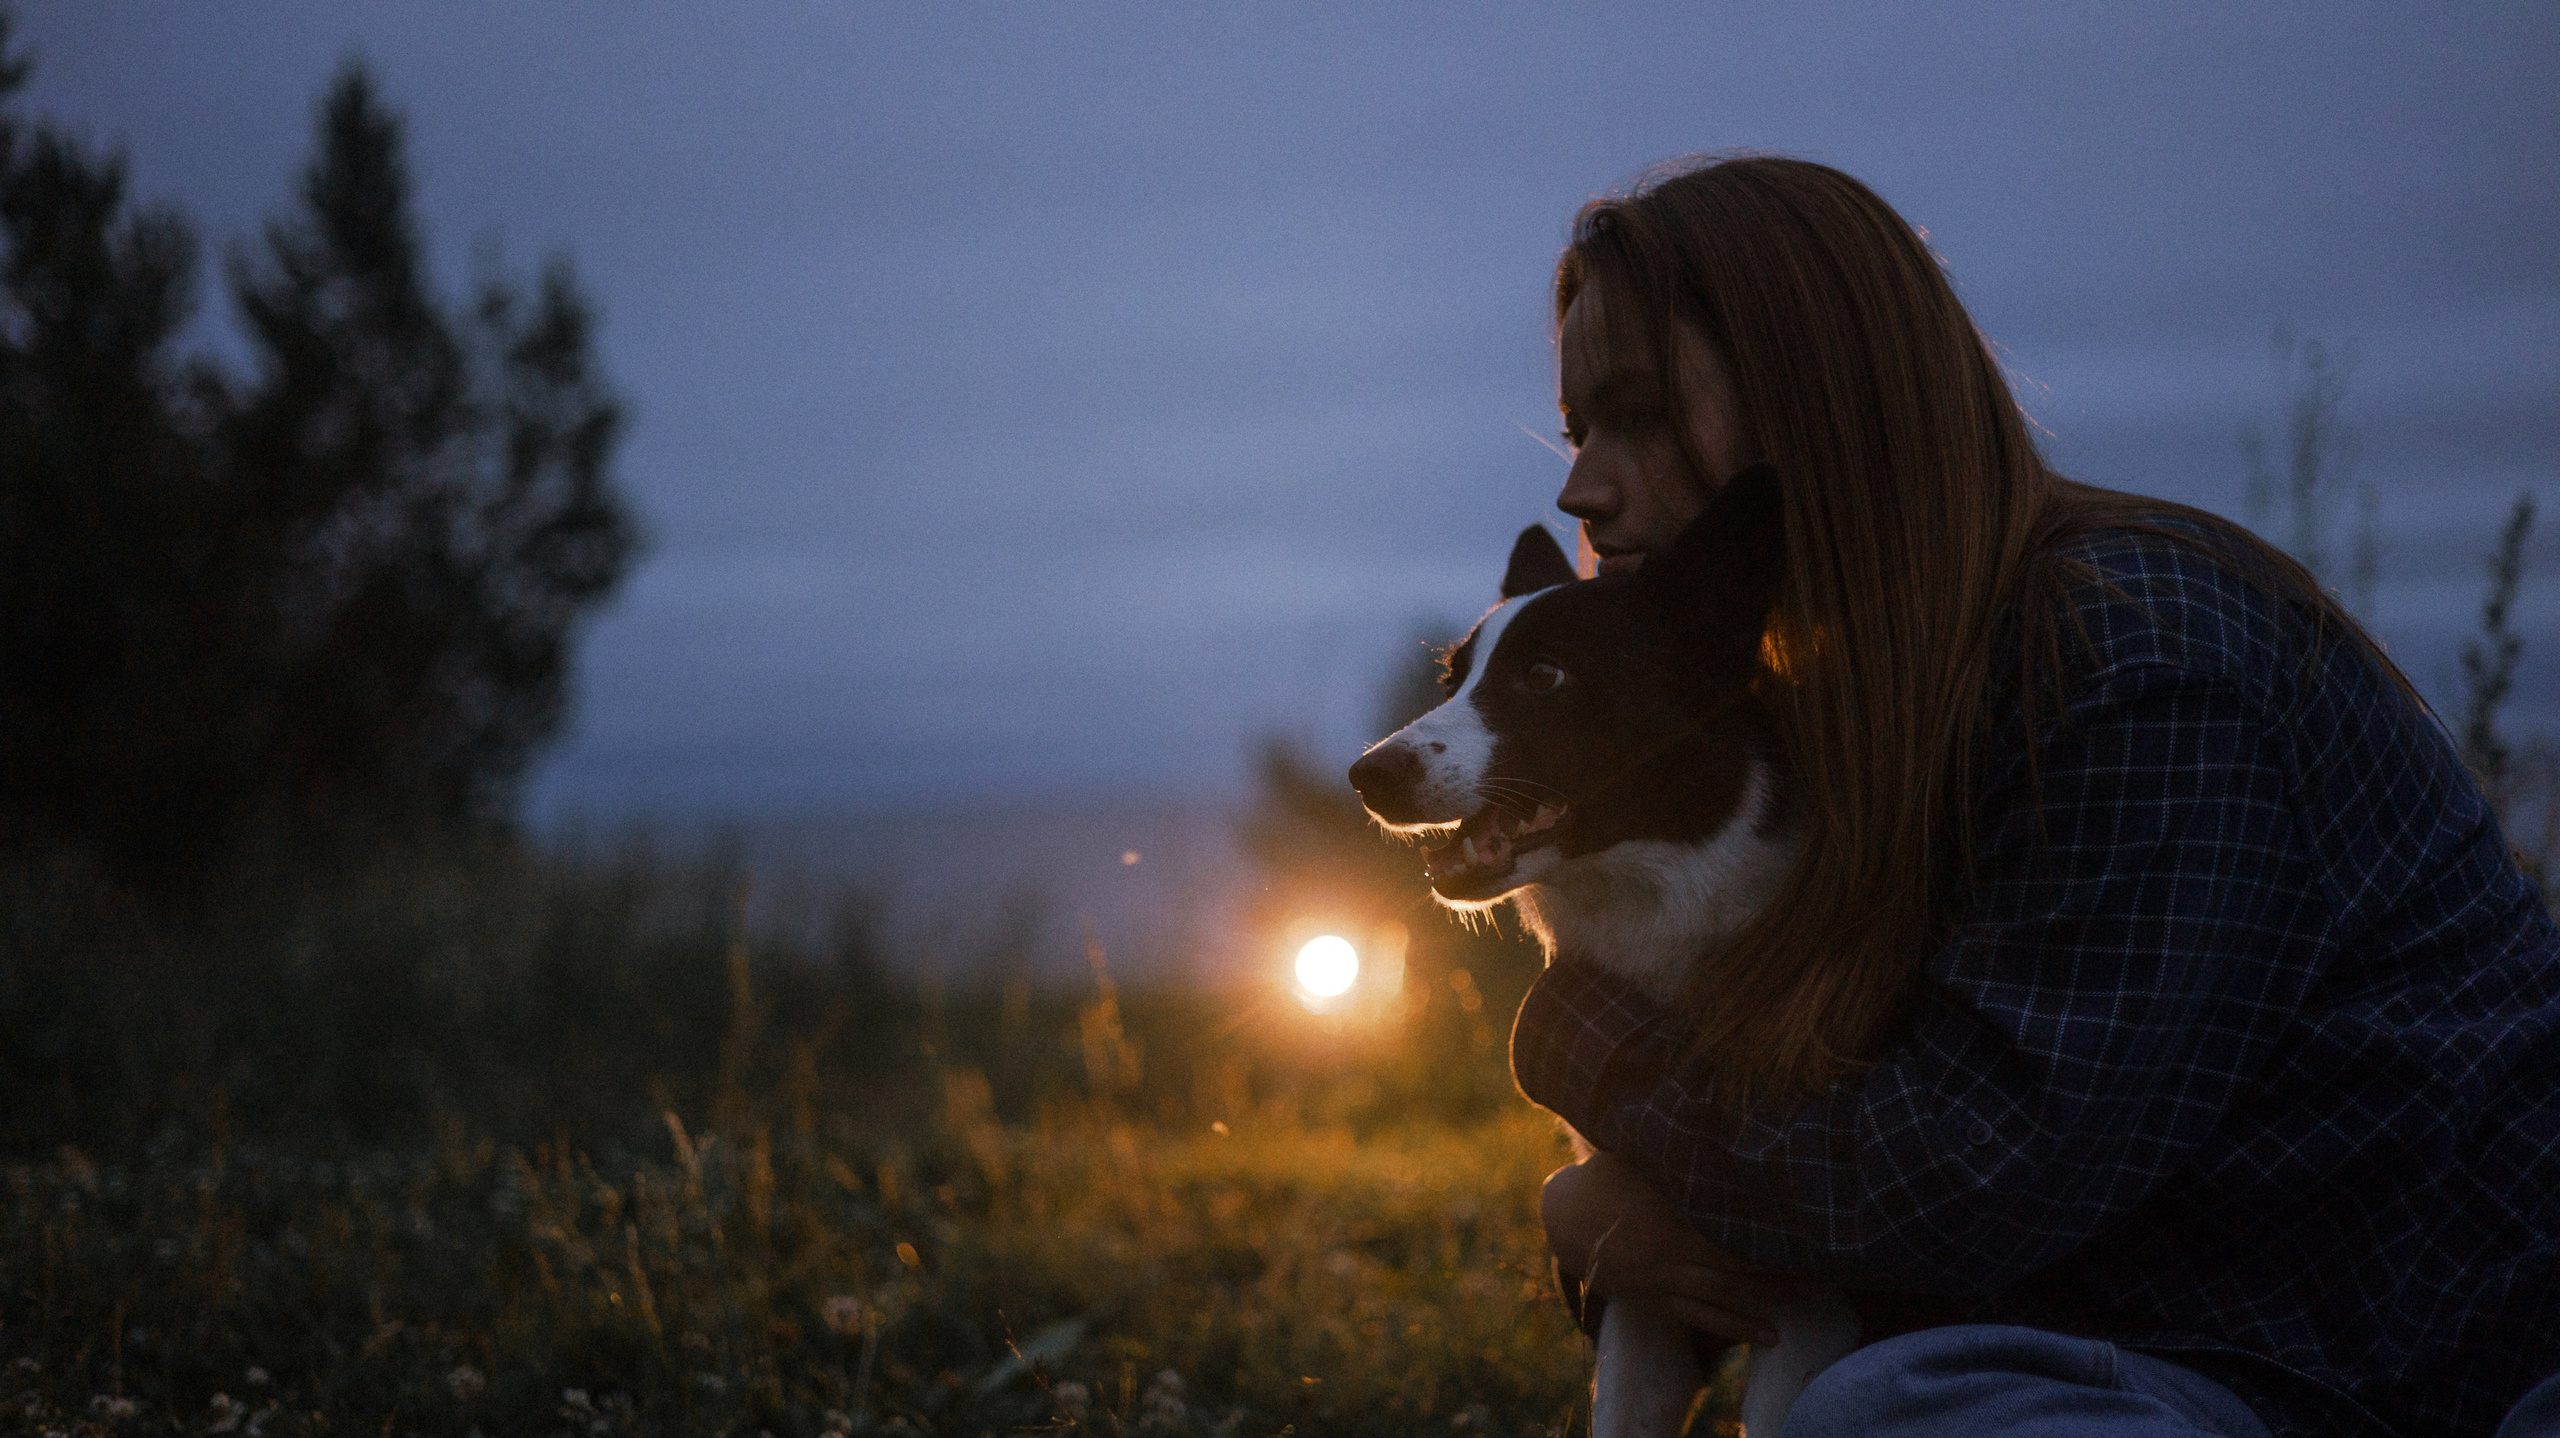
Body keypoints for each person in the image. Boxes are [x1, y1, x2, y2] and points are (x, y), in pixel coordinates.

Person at [1513, 155, 2560, 1438]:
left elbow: (1956, 1179)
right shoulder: (1836, 719)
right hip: (2199, 1352)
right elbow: (1823, 1163)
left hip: (2452, 1357)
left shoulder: (2136, 661)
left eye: (1639, 414)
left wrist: (1578, 1046)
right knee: (1889, 1403)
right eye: (1576, 432)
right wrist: (1605, 1209)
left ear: (1823, 397)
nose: (1583, 488)